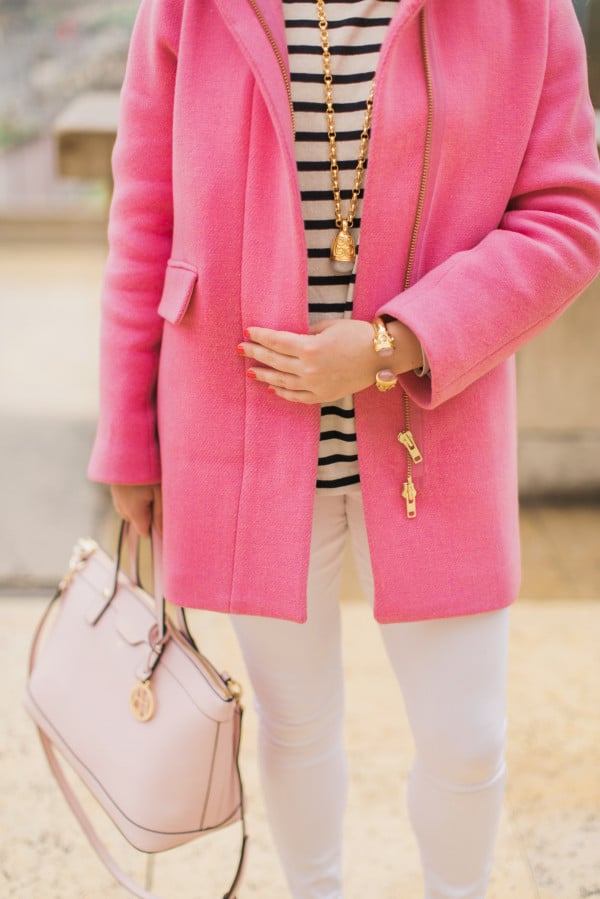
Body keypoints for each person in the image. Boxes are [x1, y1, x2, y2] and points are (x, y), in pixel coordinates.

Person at [88, 1, 600, 896]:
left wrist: (388, 344)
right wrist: (129, 433)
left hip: (436, 424)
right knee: (294, 724)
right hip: (238, 432)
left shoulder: (524, 10)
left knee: (466, 733)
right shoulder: (189, 9)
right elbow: (145, 219)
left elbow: (566, 216)